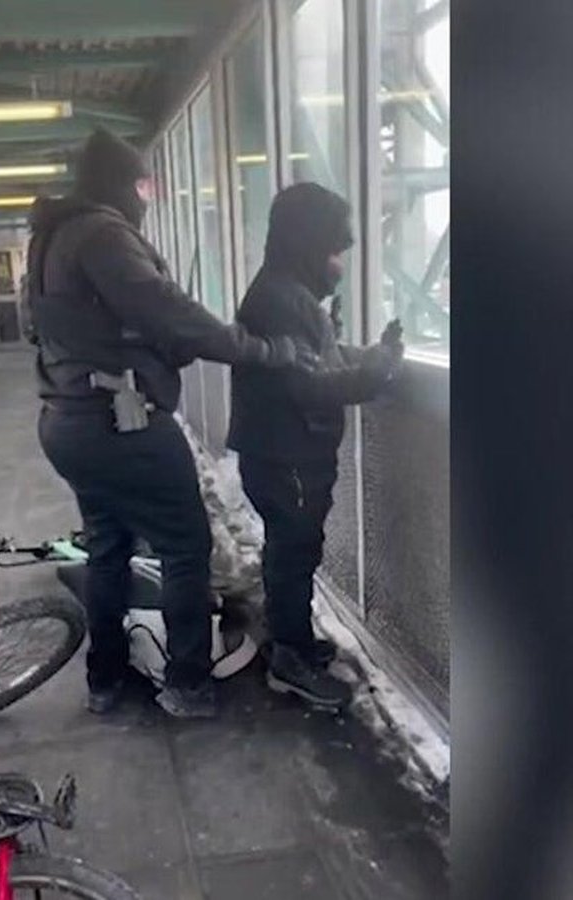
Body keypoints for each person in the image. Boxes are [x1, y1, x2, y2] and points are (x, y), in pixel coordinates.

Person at [25, 129, 316, 719]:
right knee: (187, 546)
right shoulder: (103, 234)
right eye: (143, 184)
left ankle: (103, 680)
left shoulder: (51, 237)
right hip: (122, 427)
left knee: (108, 548)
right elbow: (172, 314)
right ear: (122, 184)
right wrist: (267, 350)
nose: (149, 195)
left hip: (69, 422)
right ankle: (187, 684)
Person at [227, 182, 405, 711]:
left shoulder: (286, 293)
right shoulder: (281, 300)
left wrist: (366, 356)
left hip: (284, 452)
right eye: (334, 252)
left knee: (291, 550)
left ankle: (294, 641)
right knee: (293, 553)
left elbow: (316, 360)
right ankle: (289, 660)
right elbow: (307, 385)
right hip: (287, 456)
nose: (340, 265)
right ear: (309, 244)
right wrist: (373, 373)